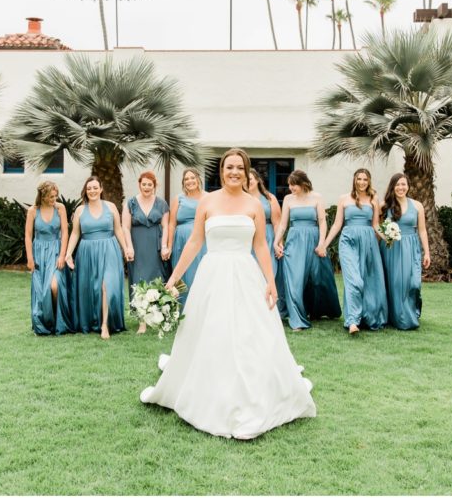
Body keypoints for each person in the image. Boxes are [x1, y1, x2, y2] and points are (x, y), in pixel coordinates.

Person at [140, 148, 316, 440]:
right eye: (228, 167)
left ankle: (252, 389)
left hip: (246, 274)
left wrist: (271, 282)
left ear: (246, 171)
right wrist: (173, 278)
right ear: (221, 170)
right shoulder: (207, 201)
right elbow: (196, 241)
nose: (233, 172)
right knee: (213, 330)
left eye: (239, 167)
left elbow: (260, 245)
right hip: (213, 274)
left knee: (250, 333)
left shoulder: (254, 204)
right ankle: (211, 388)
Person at [273, 170, 342, 331]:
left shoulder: (316, 197)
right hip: (295, 241)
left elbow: (322, 222)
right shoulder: (289, 199)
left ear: (303, 183)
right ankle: (297, 319)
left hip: (313, 240)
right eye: (289, 185)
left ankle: (318, 310)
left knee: (317, 279)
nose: (290, 188)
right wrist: (276, 242)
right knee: (294, 280)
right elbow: (283, 224)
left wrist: (322, 243)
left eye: (293, 185)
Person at [322, 168, 388, 334]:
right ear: (354, 180)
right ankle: (352, 321)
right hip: (348, 241)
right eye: (359, 179)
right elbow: (337, 224)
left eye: (365, 179)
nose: (362, 182)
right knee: (354, 281)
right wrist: (324, 244)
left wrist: (387, 237)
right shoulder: (344, 199)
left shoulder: (373, 199)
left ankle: (365, 316)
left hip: (368, 242)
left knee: (368, 280)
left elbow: (375, 225)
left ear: (369, 181)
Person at [65, 176, 128, 339]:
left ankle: (105, 324)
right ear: (86, 191)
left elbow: (119, 230)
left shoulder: (111, 207)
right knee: (92, 288)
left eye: (95, 187)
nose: (92, 191)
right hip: (87, 251)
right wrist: (68, 253)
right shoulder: (80, 210)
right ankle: (93, 320)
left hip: (109, 249)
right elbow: (75, 234)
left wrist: (126, 248)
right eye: (89, 188)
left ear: (101, 189)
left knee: (108, 285)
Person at [379, 173, 431, 330]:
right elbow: (377, 227)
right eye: (397, 185)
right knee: (395, 282)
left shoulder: (417, 206)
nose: (401, 188)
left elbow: (422, 230)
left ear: (408, 186)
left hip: (411, 246)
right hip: (391, 248)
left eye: (403, 184)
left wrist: (427, 252)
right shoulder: (384, 205)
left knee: (413, 282)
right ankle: (399, 317)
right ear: (392, 187)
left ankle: (411, 310)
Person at [122, 171, 170, 334]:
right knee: (138, 281)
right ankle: (142, 322)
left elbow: (166, 226)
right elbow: (125, 227)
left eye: (150, 184)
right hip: (137, 245)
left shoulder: (162, 204)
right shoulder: (131, 203)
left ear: (154, 186)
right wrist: (128, 247)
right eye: (144, 184)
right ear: (139, 185)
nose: (147, 187)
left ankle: (156, 319)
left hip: (155, 246)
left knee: (156, 280)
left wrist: (164, 246)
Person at [24, 181, 70, 335]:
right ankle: (44, 323)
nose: (54, 199)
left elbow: (65, 232)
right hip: (39, 254)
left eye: (56, 196)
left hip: (56, 252)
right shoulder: (33, 211)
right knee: (41, 291)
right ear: (42, 196)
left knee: (54, 286)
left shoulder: (60, 208)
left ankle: (58, 320)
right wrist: (30, 258)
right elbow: (28, 235)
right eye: (51, 196)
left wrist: (62, 255)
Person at [248, 168, 286, 318]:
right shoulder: (242, 198)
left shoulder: (270, 198)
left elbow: (277, 222)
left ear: (257, 180)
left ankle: (270, 308)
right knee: (251, 273)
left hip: (268, 237)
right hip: (249, 237)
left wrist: (279, 242)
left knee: (269, 272)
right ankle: (252, 308)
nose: (247, 182)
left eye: (250, 179)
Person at [167, 168, 207, 306]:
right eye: (186, 179)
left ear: (198, 179)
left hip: (202, 241)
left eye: (192, 178)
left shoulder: (207, 197)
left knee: (200, 273)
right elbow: (172, 224)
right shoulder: (178, 198)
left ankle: (201, 307)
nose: (190, 181)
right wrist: (169, 246)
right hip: (181, 241)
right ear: (183, 183)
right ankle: (183, 309)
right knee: (182, 274)